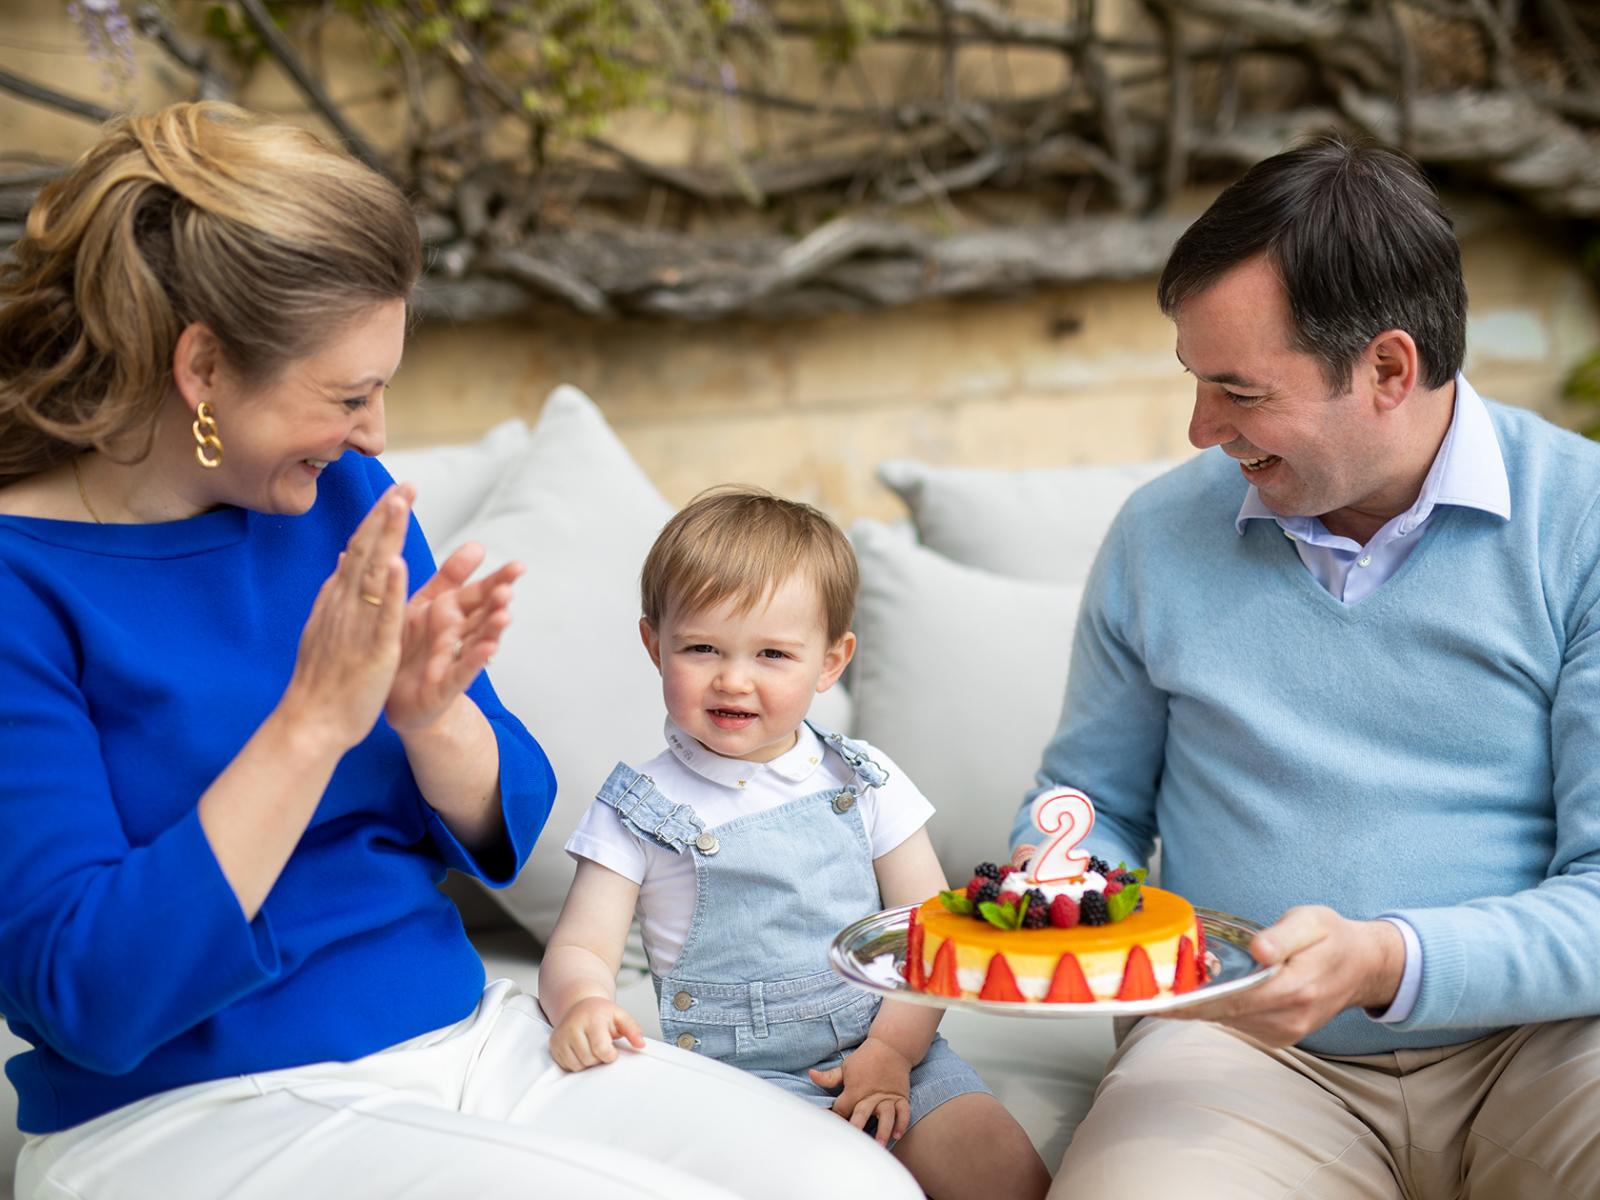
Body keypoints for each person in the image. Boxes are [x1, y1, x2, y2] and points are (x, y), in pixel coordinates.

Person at [0, 102, 924, 1200]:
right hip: (186, 1111)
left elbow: (512, 810)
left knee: (856, 1187)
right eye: (349, 393)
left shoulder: (334, 495)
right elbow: (90, 998)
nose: (377, 433)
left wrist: (430, 714)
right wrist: (310, 726)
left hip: (459, 1031)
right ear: (202, 368)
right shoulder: (22, 583)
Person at [1014, 135, 1600, 1198]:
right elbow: (1086, 801)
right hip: (1241, 1054)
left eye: (1237, 392)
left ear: (1387, 368)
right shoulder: (1155, 536)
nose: (1200, 429)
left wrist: (1386, 959)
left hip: (1548, 1049)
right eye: (1195, 383)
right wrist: (1053, 888)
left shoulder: (1584, 526)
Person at [540, 487, 1051, 1200]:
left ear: (831, 662)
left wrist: (892, 1053)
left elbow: (931, 934)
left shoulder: (865, 779)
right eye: (701, 648)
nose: (733, 678)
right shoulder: (639, 809)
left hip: (899, 1049)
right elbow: (580, 949)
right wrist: (581, 1004)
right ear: (654, 645)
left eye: (773, 654)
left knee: (1005, 1171)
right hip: (739, 1086)